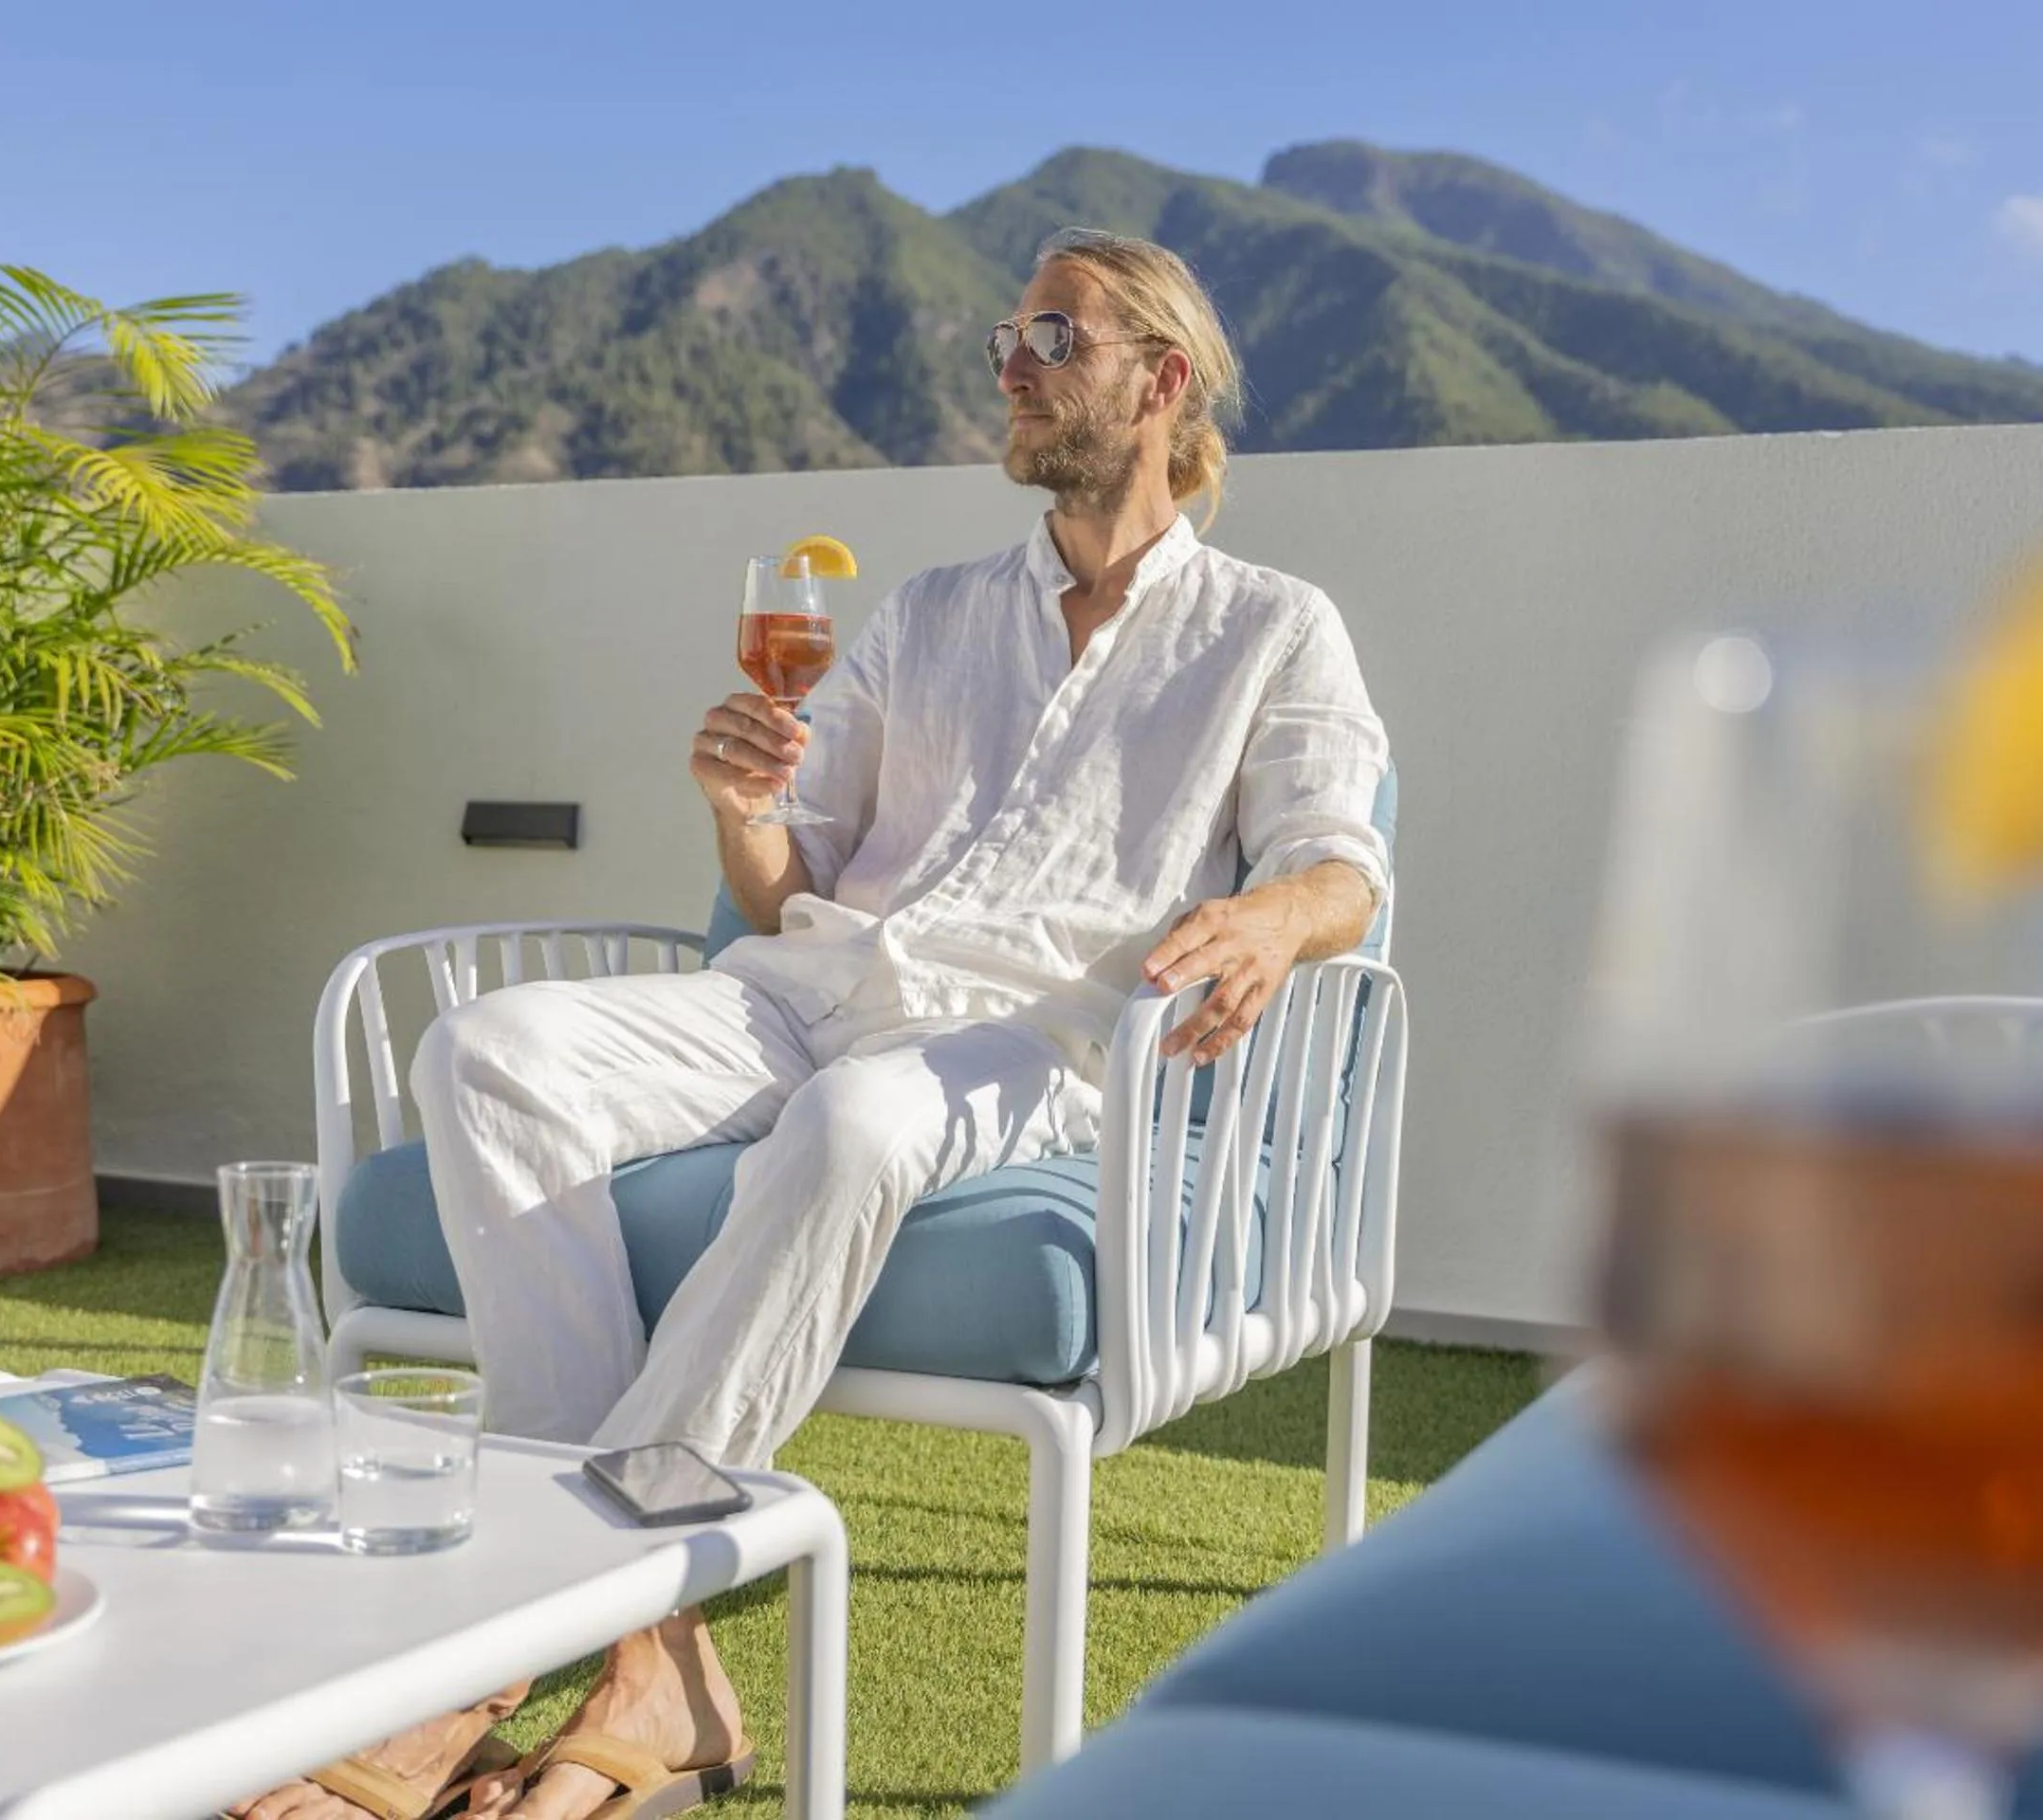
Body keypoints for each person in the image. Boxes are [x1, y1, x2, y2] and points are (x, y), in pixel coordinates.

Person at [237, 227, 1391, 1820]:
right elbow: (791, 889)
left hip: (1033, 1041)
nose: (1009, 363)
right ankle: (661, 1656)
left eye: (1052, 339)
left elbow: (1344, 864)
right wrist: (739, 804)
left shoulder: (1270, 629)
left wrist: (1272, 918)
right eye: (1009, 334)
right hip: (812, 989)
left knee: (857, 1125)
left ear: (1159, 382)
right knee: (482, 1052)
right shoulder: (926, 615)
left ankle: (507, 1651)